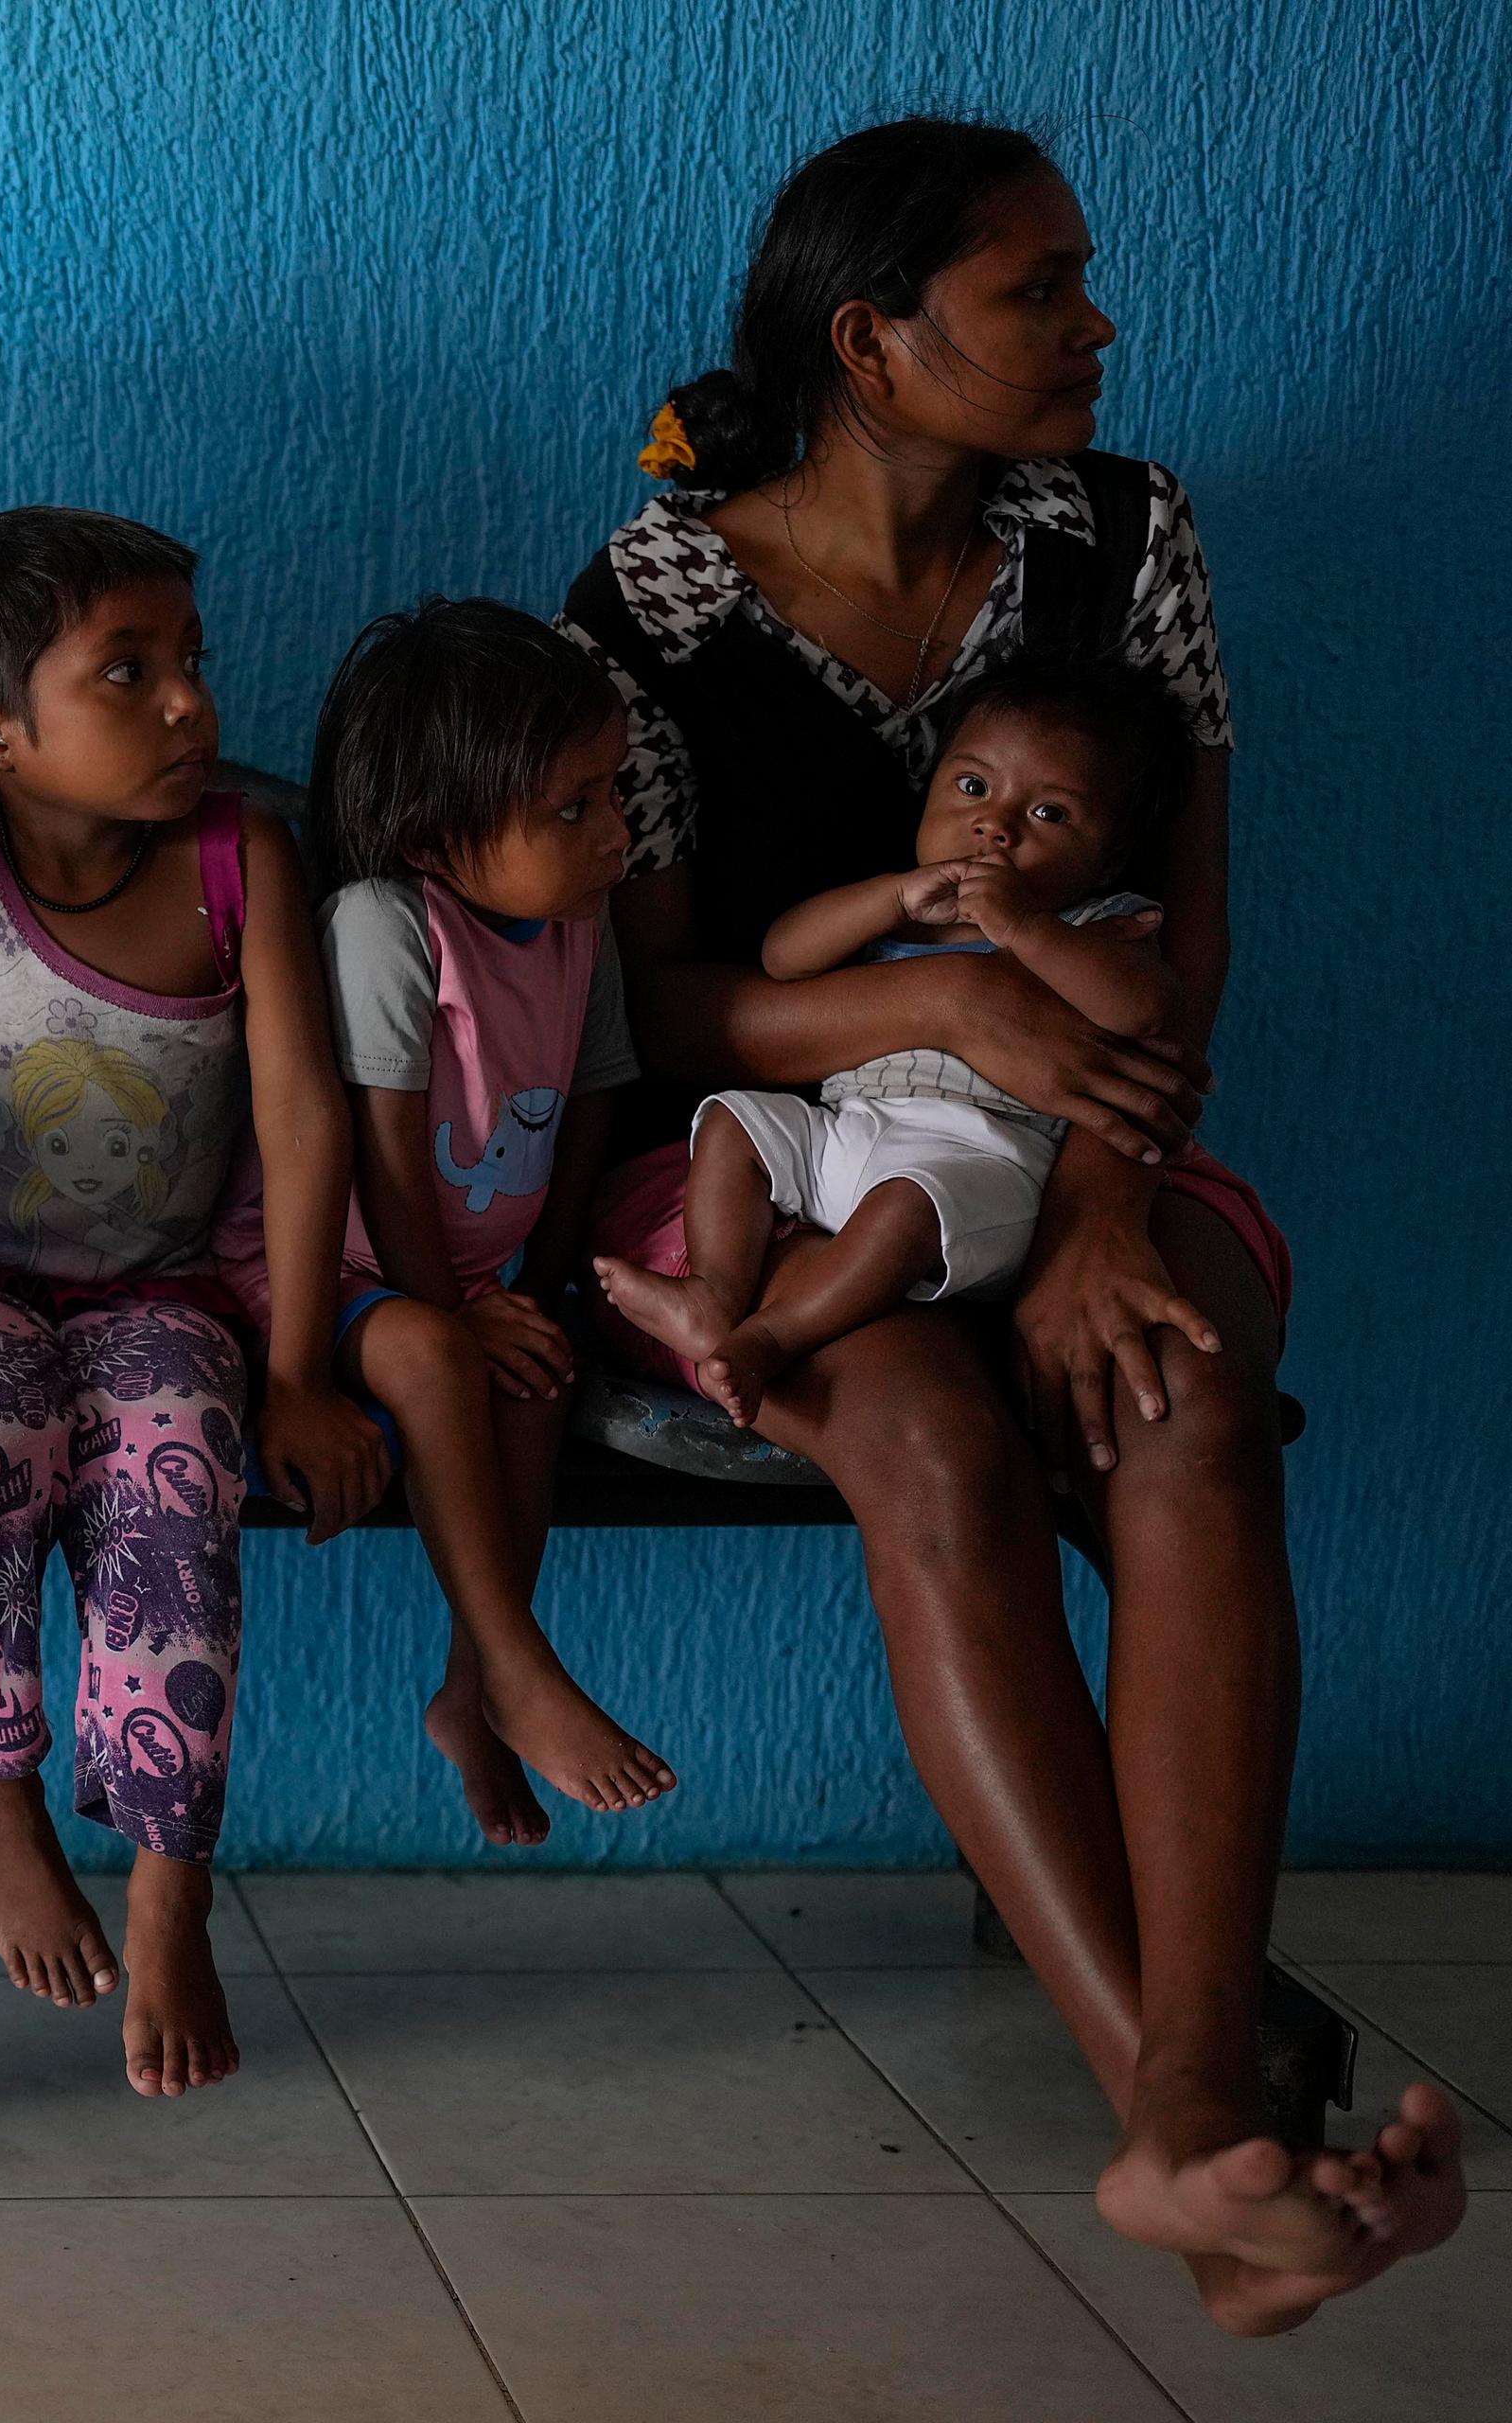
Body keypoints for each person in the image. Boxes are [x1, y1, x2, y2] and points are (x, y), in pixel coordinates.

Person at [562, 115, 1460, 2331]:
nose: (1094, 323)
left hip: (1099, 1132)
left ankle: (1192, 2113)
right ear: (870, 343)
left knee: (1179, 1403)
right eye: (1035, 290)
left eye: (1076, 279)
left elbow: (1188, 934)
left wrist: (1094, 1210)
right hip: (775, 1152)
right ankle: (1195, 2135)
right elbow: (662, 1005)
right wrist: (944, 998)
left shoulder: (1124, 535)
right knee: (935, 1446)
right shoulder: (653, 596)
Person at [0, 507, 387, 2094]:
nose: (192, 701)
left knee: (177, 1472)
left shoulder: (243, 856)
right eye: (127, 673)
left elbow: (302, 1114)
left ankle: (171, 1878)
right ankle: (0, 1797)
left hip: (167, 1287)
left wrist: (296, 1373)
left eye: (190, 659)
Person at [307, 601, 676, 1845]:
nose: (617, 831)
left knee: (533, 1377)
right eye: (573, 808)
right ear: (434, 835)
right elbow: (382, 1156)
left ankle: (474, 1692)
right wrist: (454, 1308)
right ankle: (521, 1669)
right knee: (435, 1356)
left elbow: (591, 1102)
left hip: (476, 1276)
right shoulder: (385, 924)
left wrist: (541, 1292)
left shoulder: (582, 921)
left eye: (612, 791)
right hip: (340, 1268)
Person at [600, 662, 1181, 1420]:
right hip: (848, 1132)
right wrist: (889, 899)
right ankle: (713, 1291)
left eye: (1049, 814)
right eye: (972, 787)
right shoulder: (912, 902)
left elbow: (1142, 1009)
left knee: (904, 1208)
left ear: (1108, 858)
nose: (995, 825)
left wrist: (1023, 928)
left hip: (976, 1166)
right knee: (733, 1120)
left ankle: (772, 1336)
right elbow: (783, 957)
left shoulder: (1098, 925)